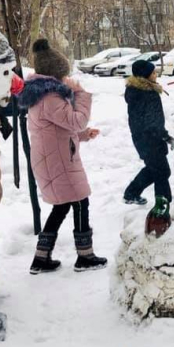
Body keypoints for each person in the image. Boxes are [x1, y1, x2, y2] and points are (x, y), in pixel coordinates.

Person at [19, 38, 107, 275]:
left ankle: (41, 258)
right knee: (80, 202)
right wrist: (81, 94)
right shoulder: (51, 98)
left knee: (62, 206)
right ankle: (85, 256)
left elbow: (59, 130)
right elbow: (76, 119)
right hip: (59, 163)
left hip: (54, 159)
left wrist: (82, 135)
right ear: (56, 75)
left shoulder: (43, 96)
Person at [123, 60, 174, 205]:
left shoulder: (135, 91)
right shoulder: (148, 94)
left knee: (155, 169)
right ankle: (163, 205)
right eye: (153, 72)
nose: (156, 74)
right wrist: (165, 136)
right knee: (162, 173)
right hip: (151, 139)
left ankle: (131, 193)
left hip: (141, 138)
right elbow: (153, 121)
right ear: (145, 75)